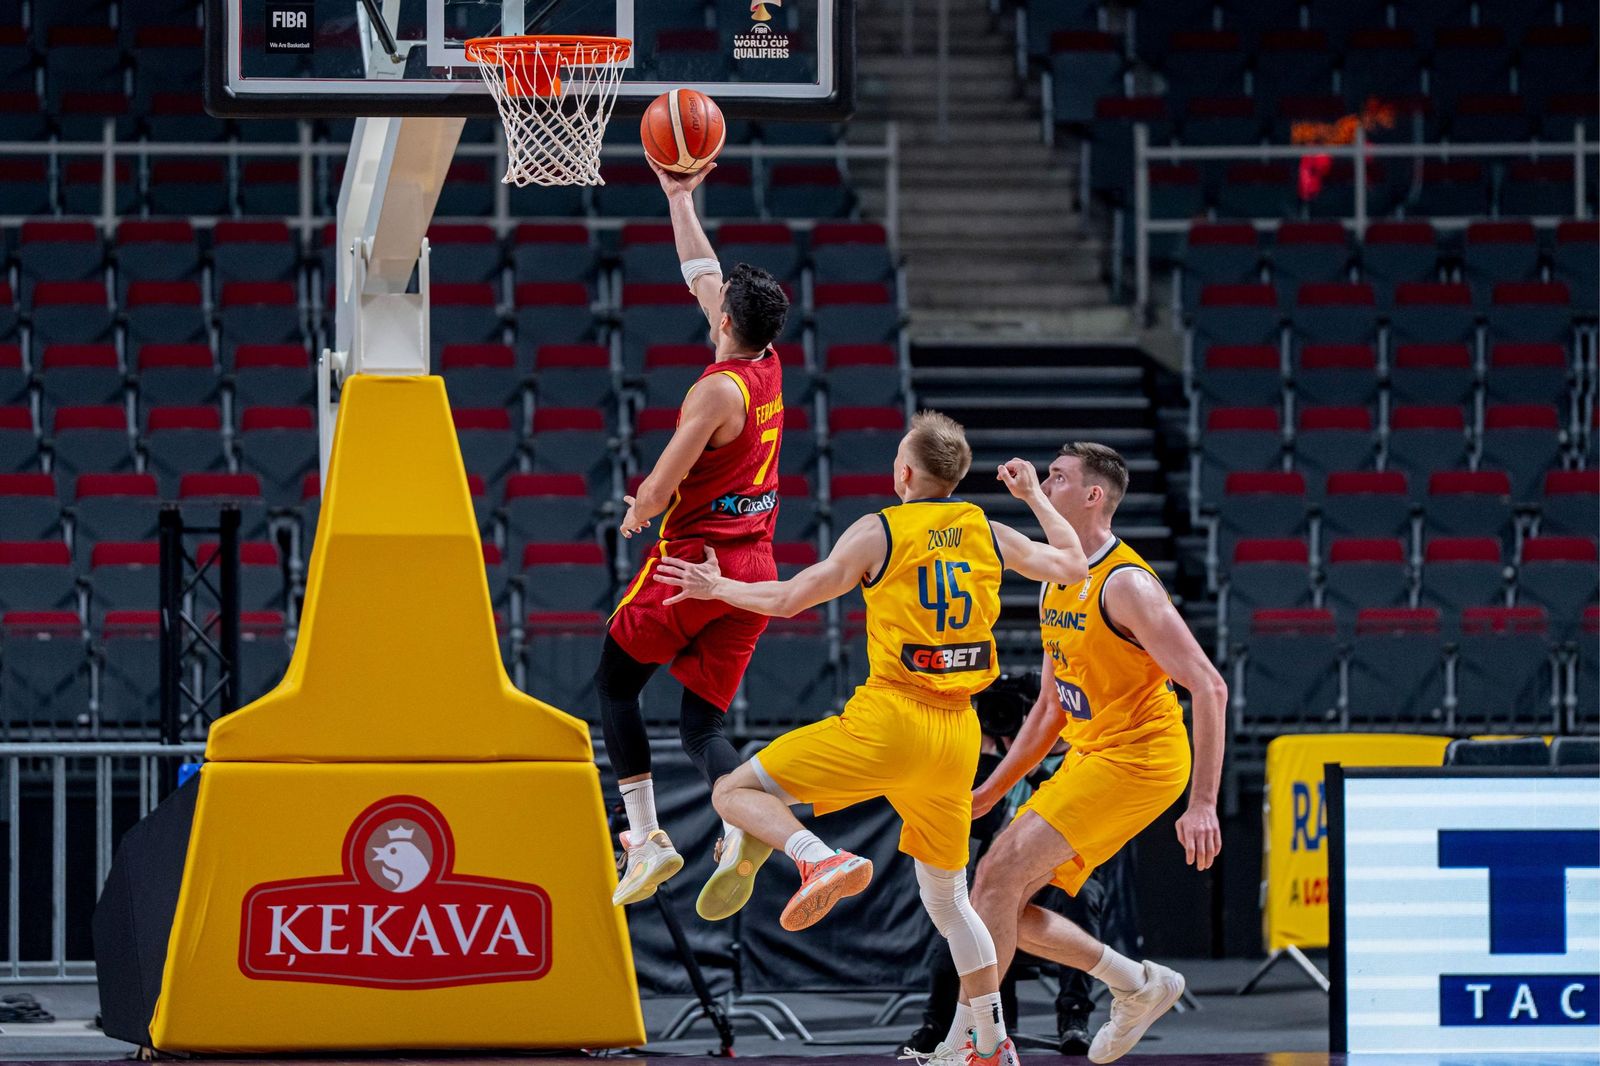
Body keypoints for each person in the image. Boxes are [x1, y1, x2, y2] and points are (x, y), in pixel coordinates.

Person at [653, 412, 1089, 1066]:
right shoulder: (985, 529)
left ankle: (811, 855)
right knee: (949, 900)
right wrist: (1031, 496)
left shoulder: (878, 529)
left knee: (733, 788)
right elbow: (1074, 566)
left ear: (904, 473)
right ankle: (992, 1042)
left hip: (893, 718)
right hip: (957, 735)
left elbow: (795, 597)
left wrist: (719, 587)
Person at [962, 442, 1227, 1065]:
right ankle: (1137, 984)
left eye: (1058, 477)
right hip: (1091, 752)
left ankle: (982, 1046)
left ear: (1093, 496)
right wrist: (990, 792)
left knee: (998, 875)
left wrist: (1205, 804)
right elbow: (1051, 710)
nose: (1045, 484)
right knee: (998, 899)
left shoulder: (1127, 584)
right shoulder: (1061, 579)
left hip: (1142, 757)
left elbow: (1209, 685)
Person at [602, 157, 793, 913]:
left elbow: (662, 481)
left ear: (724, 324)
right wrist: (679, 196)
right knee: (700, 723)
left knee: (615, 685)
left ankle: (646, 837)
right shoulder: (767, 362)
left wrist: (637, 510)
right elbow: (702, 271)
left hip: (693, 564)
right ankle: (742, 819)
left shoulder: (714, 392)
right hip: (751, 568)